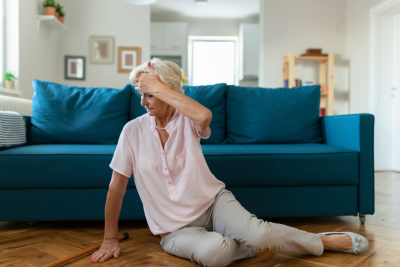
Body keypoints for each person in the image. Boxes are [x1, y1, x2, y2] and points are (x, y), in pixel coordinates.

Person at [90, 58, 369, 266]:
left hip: (213, 204)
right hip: (173, 229)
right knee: (216, 253)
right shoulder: (132, 131)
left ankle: (321, 240)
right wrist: (109, 238)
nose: (142, 101)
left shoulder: (188, 118)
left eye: (149, 94)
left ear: (168, 92)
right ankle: (245, 243)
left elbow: (204, 117)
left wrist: (160, 88)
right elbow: (116, 187)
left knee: (259, 235)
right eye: (140, 93)